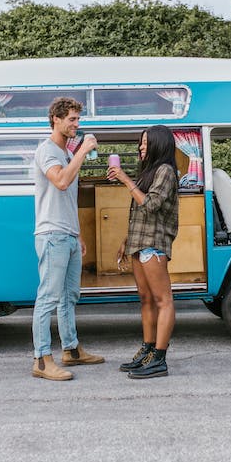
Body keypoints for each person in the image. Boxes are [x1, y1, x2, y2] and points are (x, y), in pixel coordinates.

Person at [31, 97, 105, 381]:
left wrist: (78, 234)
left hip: (68, 235)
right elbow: (60, 181)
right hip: (52, 235)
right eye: (72, 119)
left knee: (69, 297)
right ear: (56, 119)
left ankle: (71, 350)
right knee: (48, 298)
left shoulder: (64, 153)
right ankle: (41, 360)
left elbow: (67, 199)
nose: (77, 124)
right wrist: (84, 150)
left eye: (78, 119)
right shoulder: (47, 150)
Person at [108, 125, 179, 379]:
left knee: (163, 300)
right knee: (146, 300)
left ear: (159, 145)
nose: (141, 147)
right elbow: (139, 213)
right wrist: (127, 240)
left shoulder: (166, 171)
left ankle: (159, 358)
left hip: (154, 245)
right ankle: (148, 352)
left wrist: (125, 179)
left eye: (146, 143)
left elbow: (151, 205)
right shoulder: (149, 172)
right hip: (140, 243)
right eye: (141, 142)